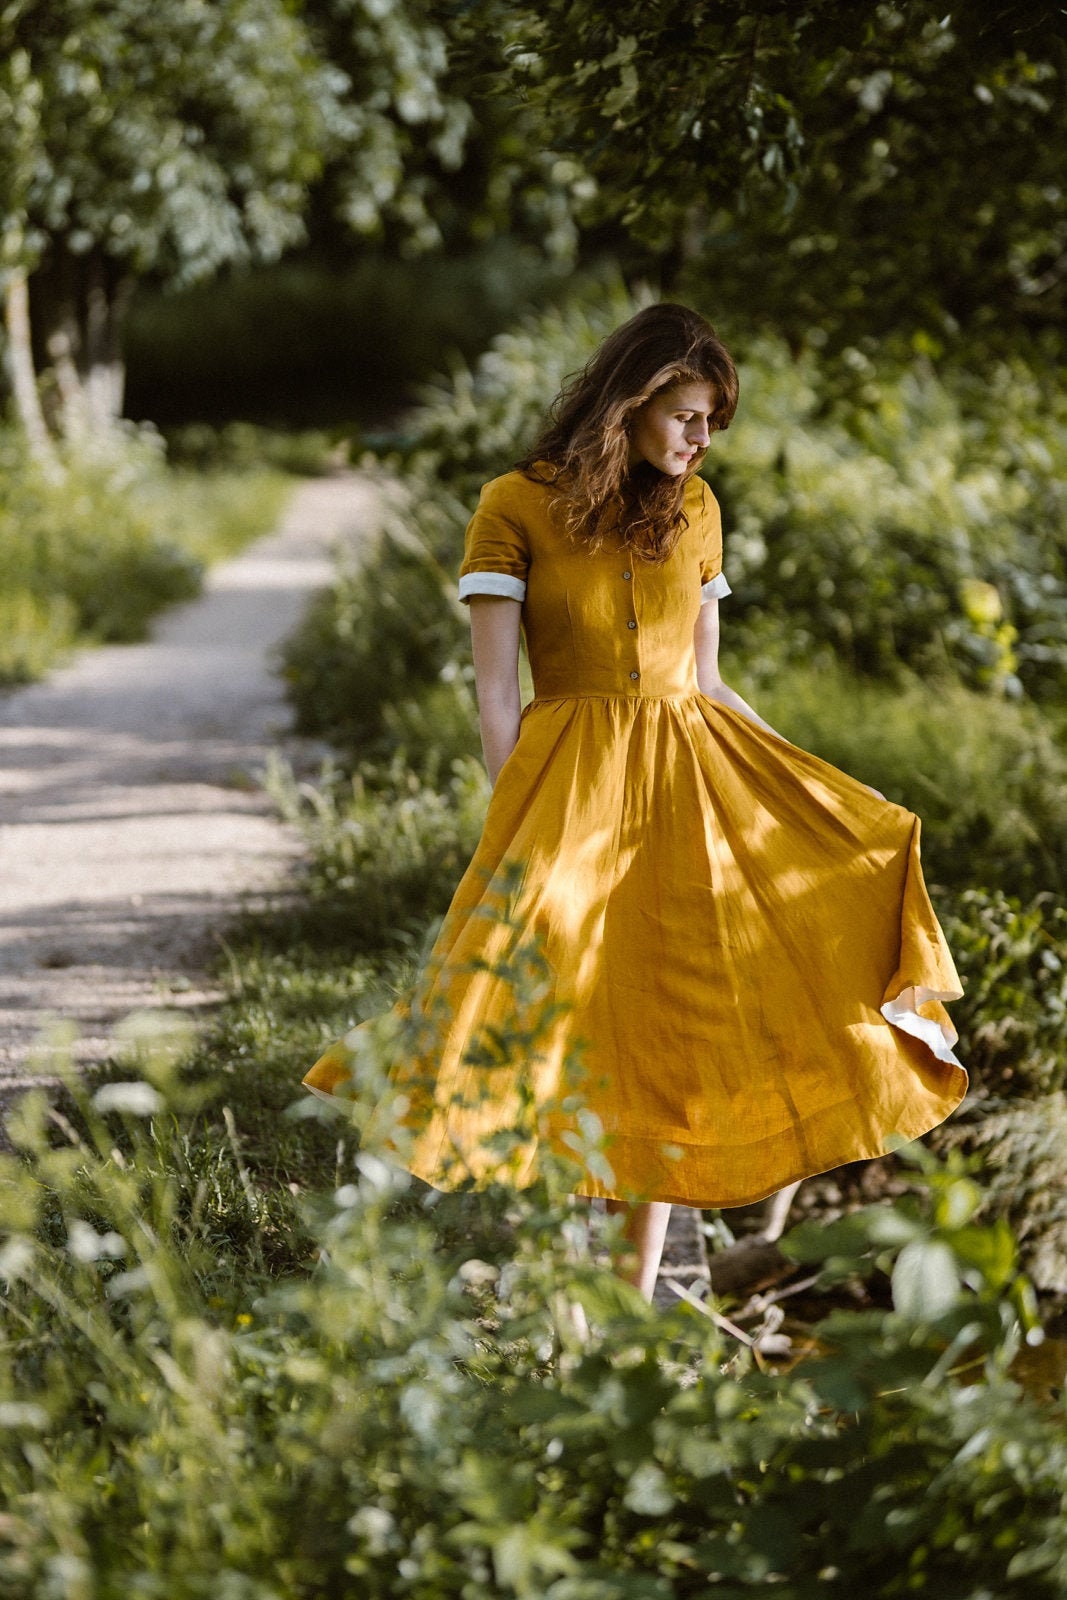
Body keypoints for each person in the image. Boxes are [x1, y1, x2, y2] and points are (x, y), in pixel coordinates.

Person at [302, 302, 967, 1300]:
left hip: (683, 783)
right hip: (565, 782)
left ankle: (624, 1301)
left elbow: (704, 680)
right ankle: (562, 1265)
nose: (701, 442)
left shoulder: (695, 510)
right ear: (631, 401)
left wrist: (813, 782)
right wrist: (512, 806)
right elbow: (493, 689)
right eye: (688, 417)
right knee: (559, 1006)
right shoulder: (512, 506)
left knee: (662, 1026)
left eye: (711, 424)